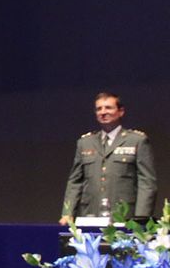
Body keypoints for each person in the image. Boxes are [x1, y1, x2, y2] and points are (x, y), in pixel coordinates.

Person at [62, 92, 156, 225]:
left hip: (125, 216)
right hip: (90, 215)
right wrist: (67, 213)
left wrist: (141, 218)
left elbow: (147, 183)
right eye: (99, 109)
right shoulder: (85, 142)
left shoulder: (136, 140)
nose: (103, 112)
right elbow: (75, 182)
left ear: (120, 111)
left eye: (108, 108)